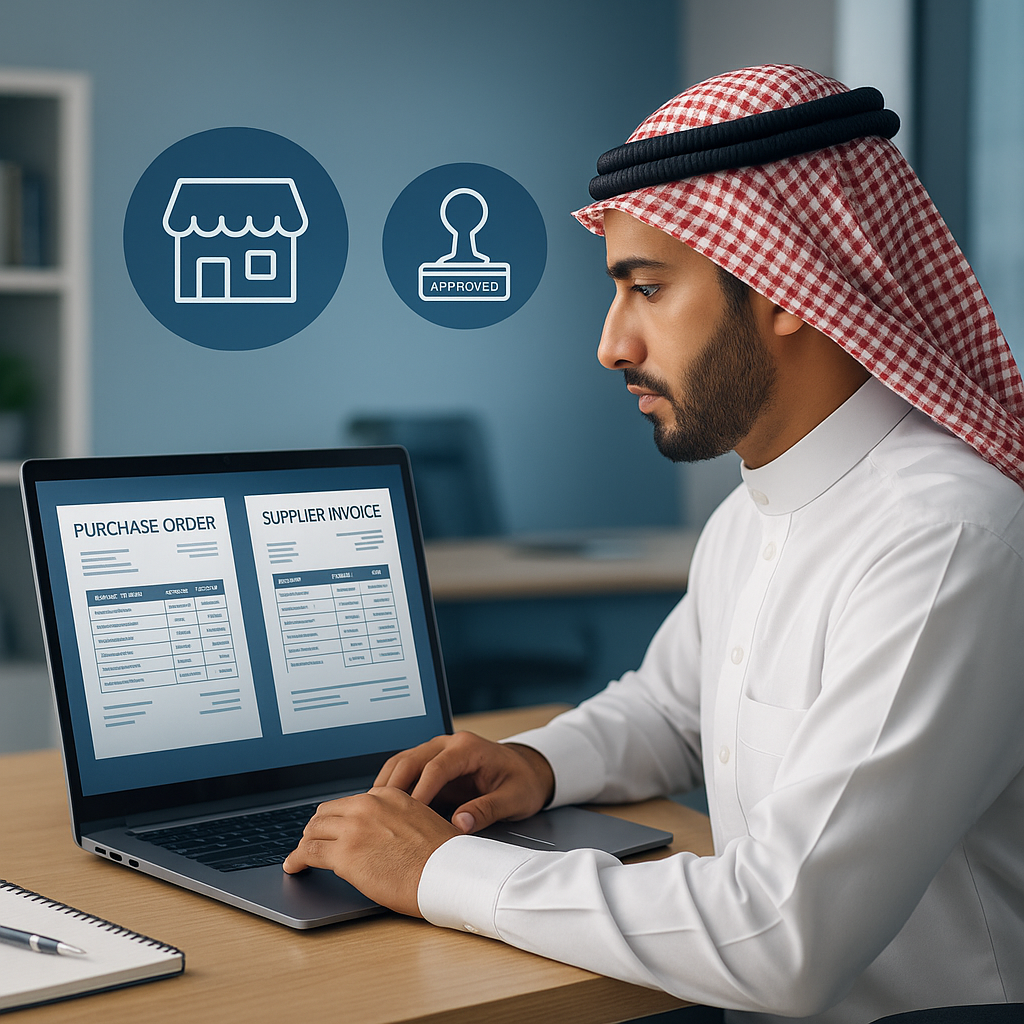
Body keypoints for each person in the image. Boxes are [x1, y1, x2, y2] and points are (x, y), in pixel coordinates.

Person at [284, 65, 1024, 1023]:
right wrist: (535, 763)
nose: (611, 344)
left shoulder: (946, 538)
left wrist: (441, 871)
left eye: (647, 289)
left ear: (788, 286)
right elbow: (673, 710)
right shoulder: (753, 513)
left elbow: (779, 937)